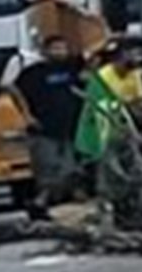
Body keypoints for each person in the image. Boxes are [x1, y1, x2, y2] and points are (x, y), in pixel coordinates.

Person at [10, 35, 86, 218]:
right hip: (44, 129)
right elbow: (11, 88)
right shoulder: (34, 72)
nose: (59, 52)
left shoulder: (72, 68)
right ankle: (40, 202)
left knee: (71, 168)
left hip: (70, 128)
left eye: (62, 48)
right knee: (47, 168)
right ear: (45, 51)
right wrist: (26, 115)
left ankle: (75, 201)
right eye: (55, 48)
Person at [96, 39, 142, 105]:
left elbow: (141, 96)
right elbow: (101, 101)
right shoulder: (102, 75)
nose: (121, 66)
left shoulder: (134, 73)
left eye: (123, 63)